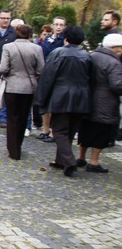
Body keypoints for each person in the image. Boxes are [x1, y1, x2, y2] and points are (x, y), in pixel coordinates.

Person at [34, 26, 92, 177]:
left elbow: (48, 78)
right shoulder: (86, 56)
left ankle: (68, 161)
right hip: (82, 96)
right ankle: (61, 160)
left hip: (62, 96)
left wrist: (41, 99)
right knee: (70, 130)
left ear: (66, 38)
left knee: (59, 130)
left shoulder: (58, 53)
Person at [76, 33, 122, 173]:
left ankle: (81, 157)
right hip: (105, 102)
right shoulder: (113, 63)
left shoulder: (92, 56)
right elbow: (117, 85)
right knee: (101, 131)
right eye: (120, 48)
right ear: (114, 48)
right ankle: (94, 161)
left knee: (86, 128)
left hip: (88, 99)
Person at [0, 25, 44, 160]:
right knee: (24, 117)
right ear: (30, 34)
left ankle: (13, 150)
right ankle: (18, 144)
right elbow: (41, 69)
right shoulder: (37, 48)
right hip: (29, 87)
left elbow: (3, 68)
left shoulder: (8, 47)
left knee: (12, 118)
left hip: (12, 86)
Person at [36, 17, 67, 141]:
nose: (59, 27)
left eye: (61, 25)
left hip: (58, 74)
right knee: (44, 102)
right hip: (45, 72)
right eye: (56, 24)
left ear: (64, 27)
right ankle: (45, 129)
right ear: (52, 25)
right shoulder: (47, 39)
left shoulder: (65, 40)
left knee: (55, 104)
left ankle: (53, 132)